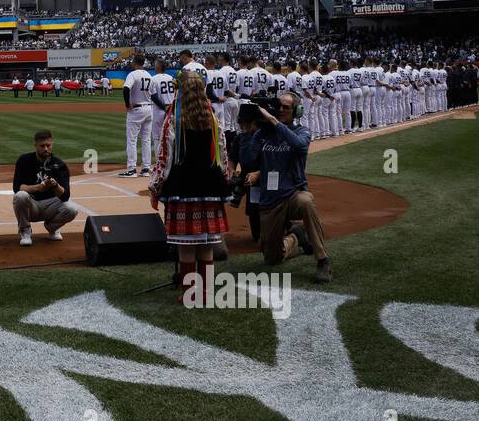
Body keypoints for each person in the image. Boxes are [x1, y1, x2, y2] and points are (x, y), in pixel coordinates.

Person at [149, 71, 231, 304]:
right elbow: (222, 154)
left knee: (185, 245)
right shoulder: (212, 118)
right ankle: (205, 293)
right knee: (206, 244)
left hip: (183, 185)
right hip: (210, 185)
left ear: (181, 90)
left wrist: (156, 186)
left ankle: (190, 293)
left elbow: (165, 157)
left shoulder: (174, 118)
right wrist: (223, 180)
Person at [242, 91, 331, 283]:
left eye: (286, 107)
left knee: (306, 202)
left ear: (297, 111)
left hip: (293, 194)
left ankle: (323, 260)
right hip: (270, 199)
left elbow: (298, 146)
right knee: (271, 259)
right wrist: (253, 130)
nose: (280, 110)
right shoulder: (263, 133)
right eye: (278, 106)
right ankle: (296, 239)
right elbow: (249, 158)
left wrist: (275, 123)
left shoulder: (303, 132)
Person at [12, 130, 80, 246]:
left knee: (72, 209)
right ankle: (25, 231)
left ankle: (52, 227)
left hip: (51, 205)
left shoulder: (59, 164)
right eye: (42, 146)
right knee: (20, 196)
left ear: (52, 144)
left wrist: (55, 185)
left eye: (48, 145)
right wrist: (38, 187)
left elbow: (65, 196)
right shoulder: (24, 160)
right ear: (35, 146)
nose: (45, 149)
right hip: (32, 205)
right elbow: (17, 187)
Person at [119, 52, 154, 177]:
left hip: (137, 110)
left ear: (135, 63)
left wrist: (127, 104)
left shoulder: (133, 74)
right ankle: (145, 168)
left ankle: (132, 169)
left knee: (132, 140)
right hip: (149, 108)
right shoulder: (149, 75)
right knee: (146, 139)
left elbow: (126, 88)